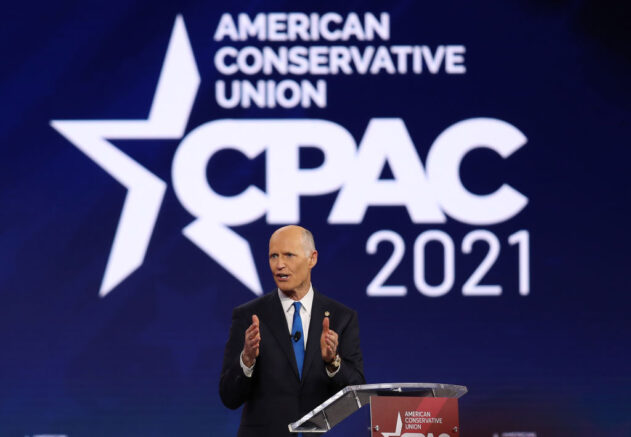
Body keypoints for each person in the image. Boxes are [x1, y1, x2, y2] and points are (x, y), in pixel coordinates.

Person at [219, 225, 365, 436]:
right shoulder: (249, 316)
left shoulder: (341, 317)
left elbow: (357, 391)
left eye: (289, 255)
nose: (279, 265)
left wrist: (333, 362)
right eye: (273, 256)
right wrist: (247, 360)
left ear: (312, 259)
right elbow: (228, 397)